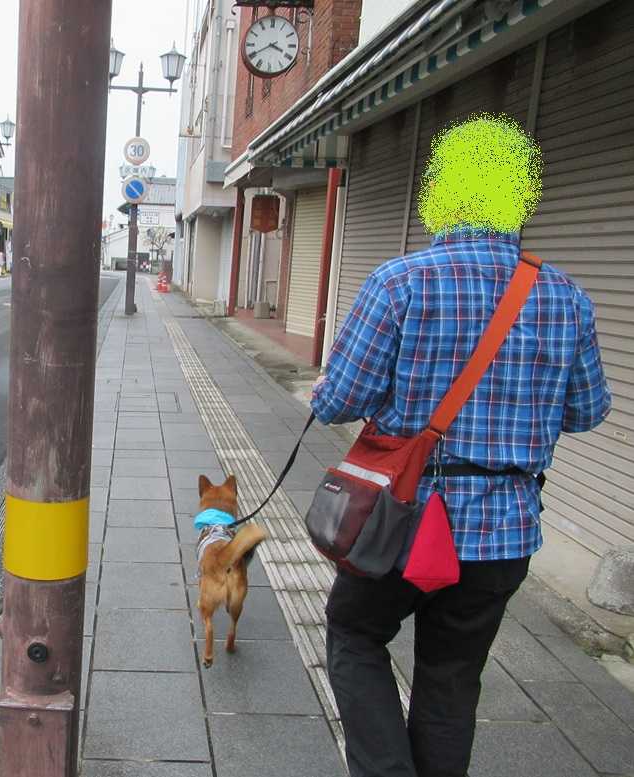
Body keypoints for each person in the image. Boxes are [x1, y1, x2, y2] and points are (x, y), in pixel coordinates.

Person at [311, 114, 611, 777]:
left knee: (356, 634)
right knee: (451, 677)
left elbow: (337, 400)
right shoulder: (567, 297)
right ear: (519, 194)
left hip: (400, 521)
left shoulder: (401, 281)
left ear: (441, 188)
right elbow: (589, 411)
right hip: (503, 532)